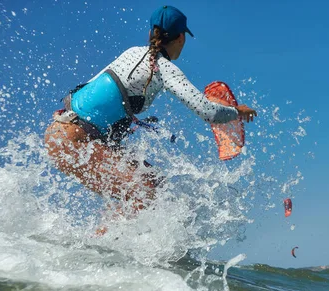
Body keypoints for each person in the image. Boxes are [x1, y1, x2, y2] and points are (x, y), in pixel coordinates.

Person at [44, 5, 257, 228]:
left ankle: (104, 242)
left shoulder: (131, 53)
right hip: (76, 141)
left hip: (59, 132)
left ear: (150, 34)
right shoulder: (164, 69)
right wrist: (237, 112)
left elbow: (88, 90)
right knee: (146, 191)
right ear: (181, 39)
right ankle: (102, 249)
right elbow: (209, 112)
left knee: (154, 183)